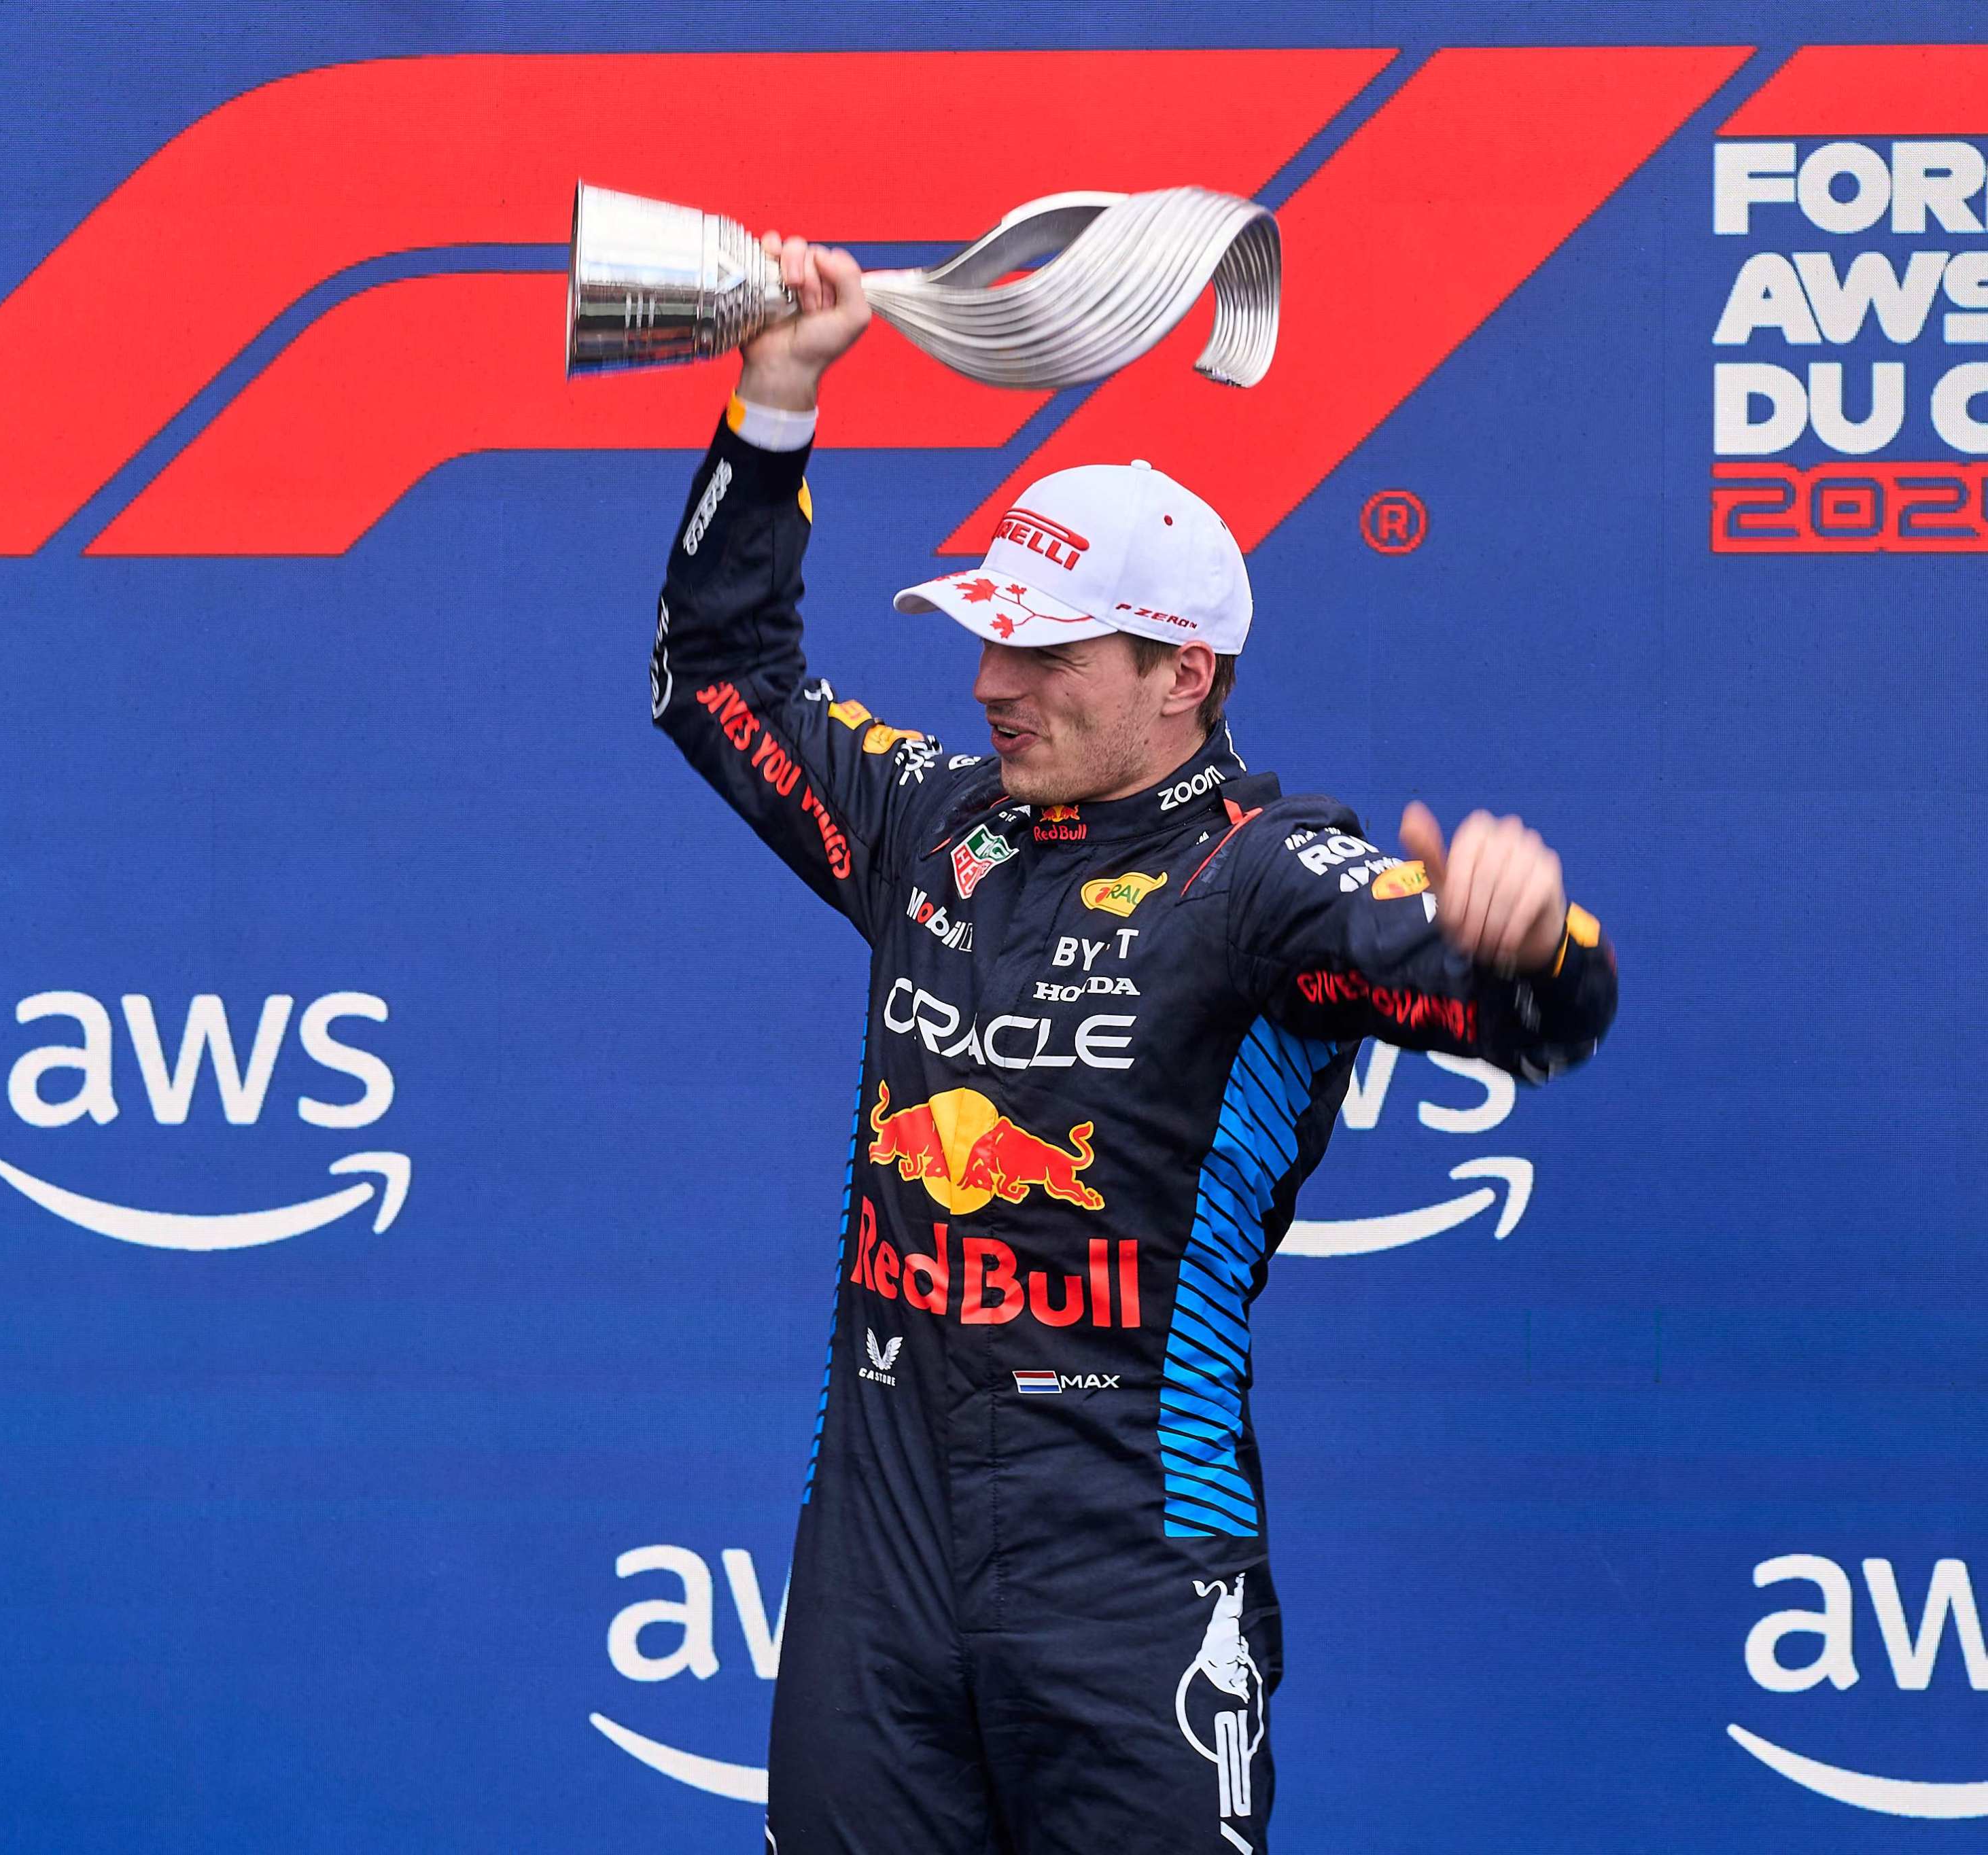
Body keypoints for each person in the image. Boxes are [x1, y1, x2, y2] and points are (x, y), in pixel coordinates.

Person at [651, 232, 1617, 1855]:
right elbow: (717, 680)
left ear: (1184, 672)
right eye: (986, 636)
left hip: (1128, 1587)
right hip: (874, 1585)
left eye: (1042, 650)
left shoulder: (1269, 877)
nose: (988, 683)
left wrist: (1534, 941)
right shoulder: (927, 826)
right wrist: (776, 399)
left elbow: (1521, 1018)